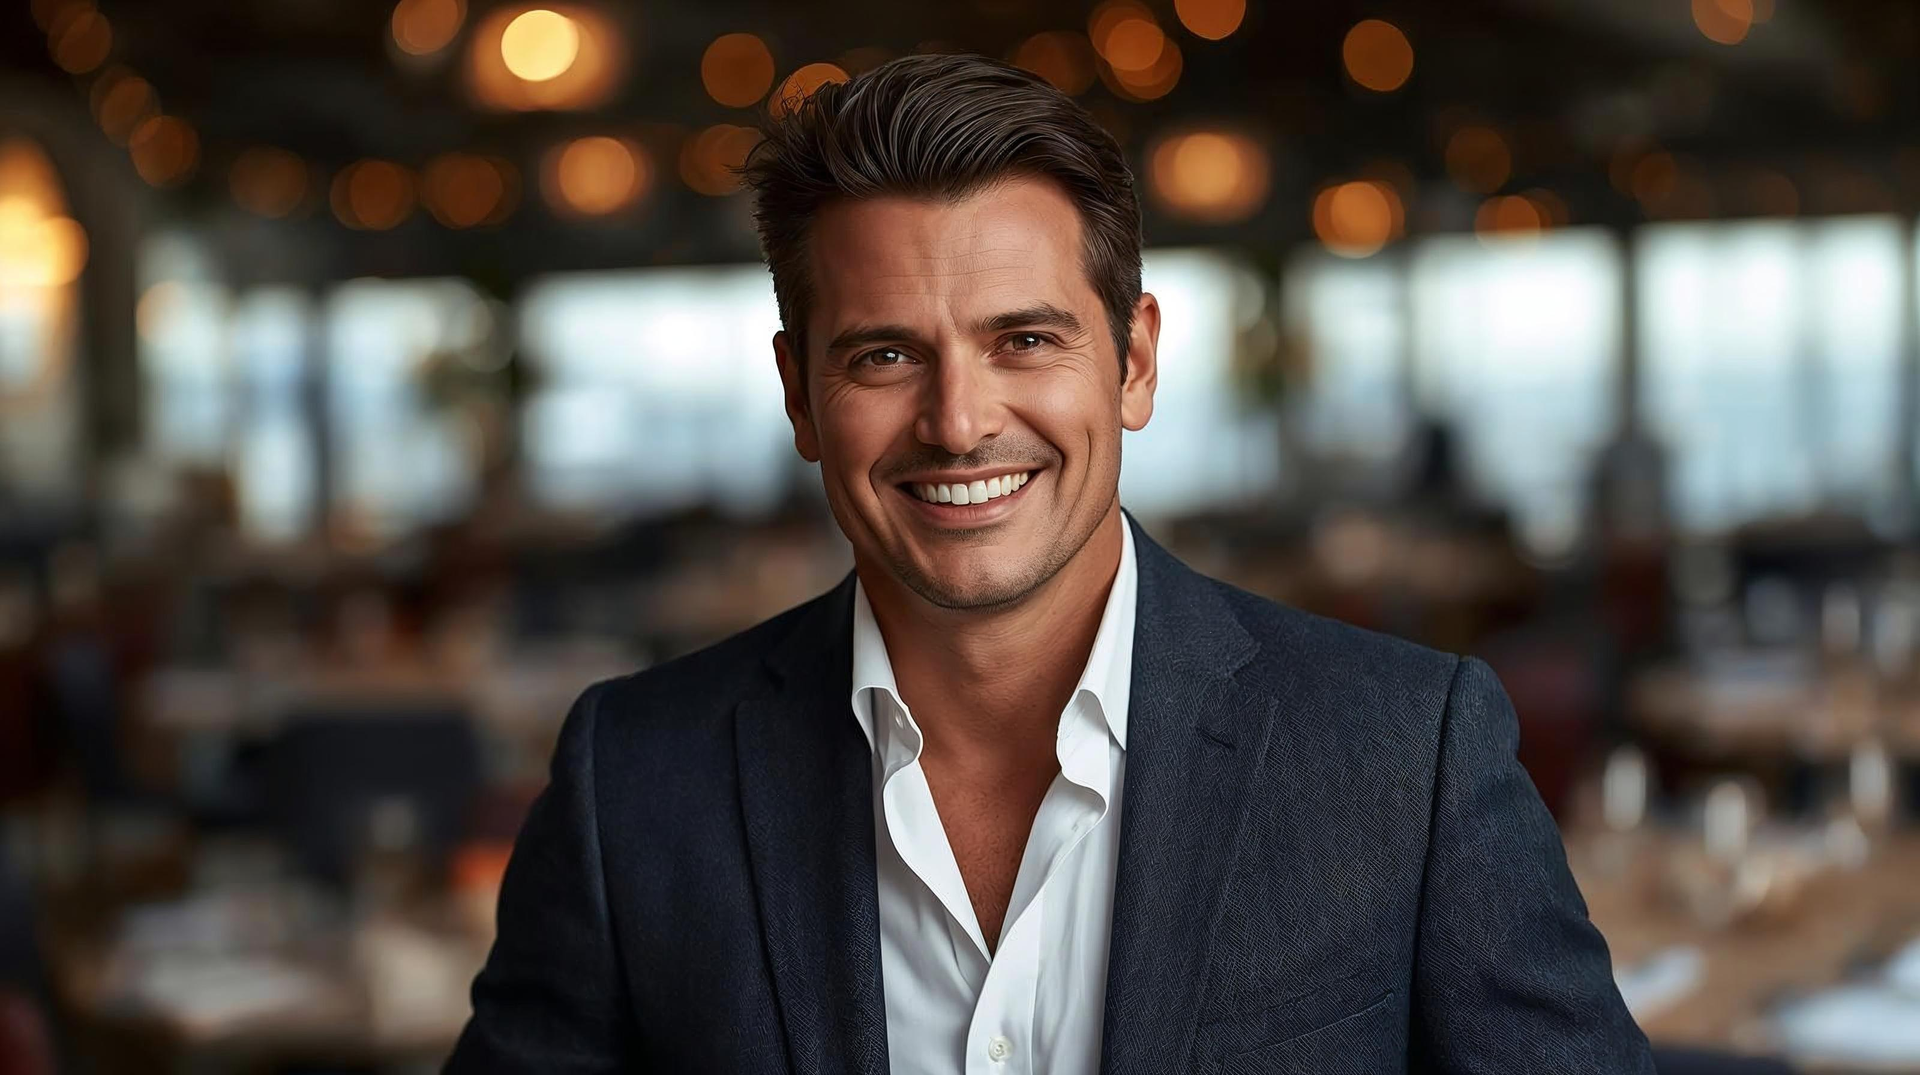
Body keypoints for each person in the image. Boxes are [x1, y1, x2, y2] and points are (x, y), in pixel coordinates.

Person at [446, 54, 1654, 1075]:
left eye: (1024, 339)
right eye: (883, 356)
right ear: (800, 396)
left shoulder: (1403, 753)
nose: (959, 421)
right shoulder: (633, 781)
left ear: (1134, 362)